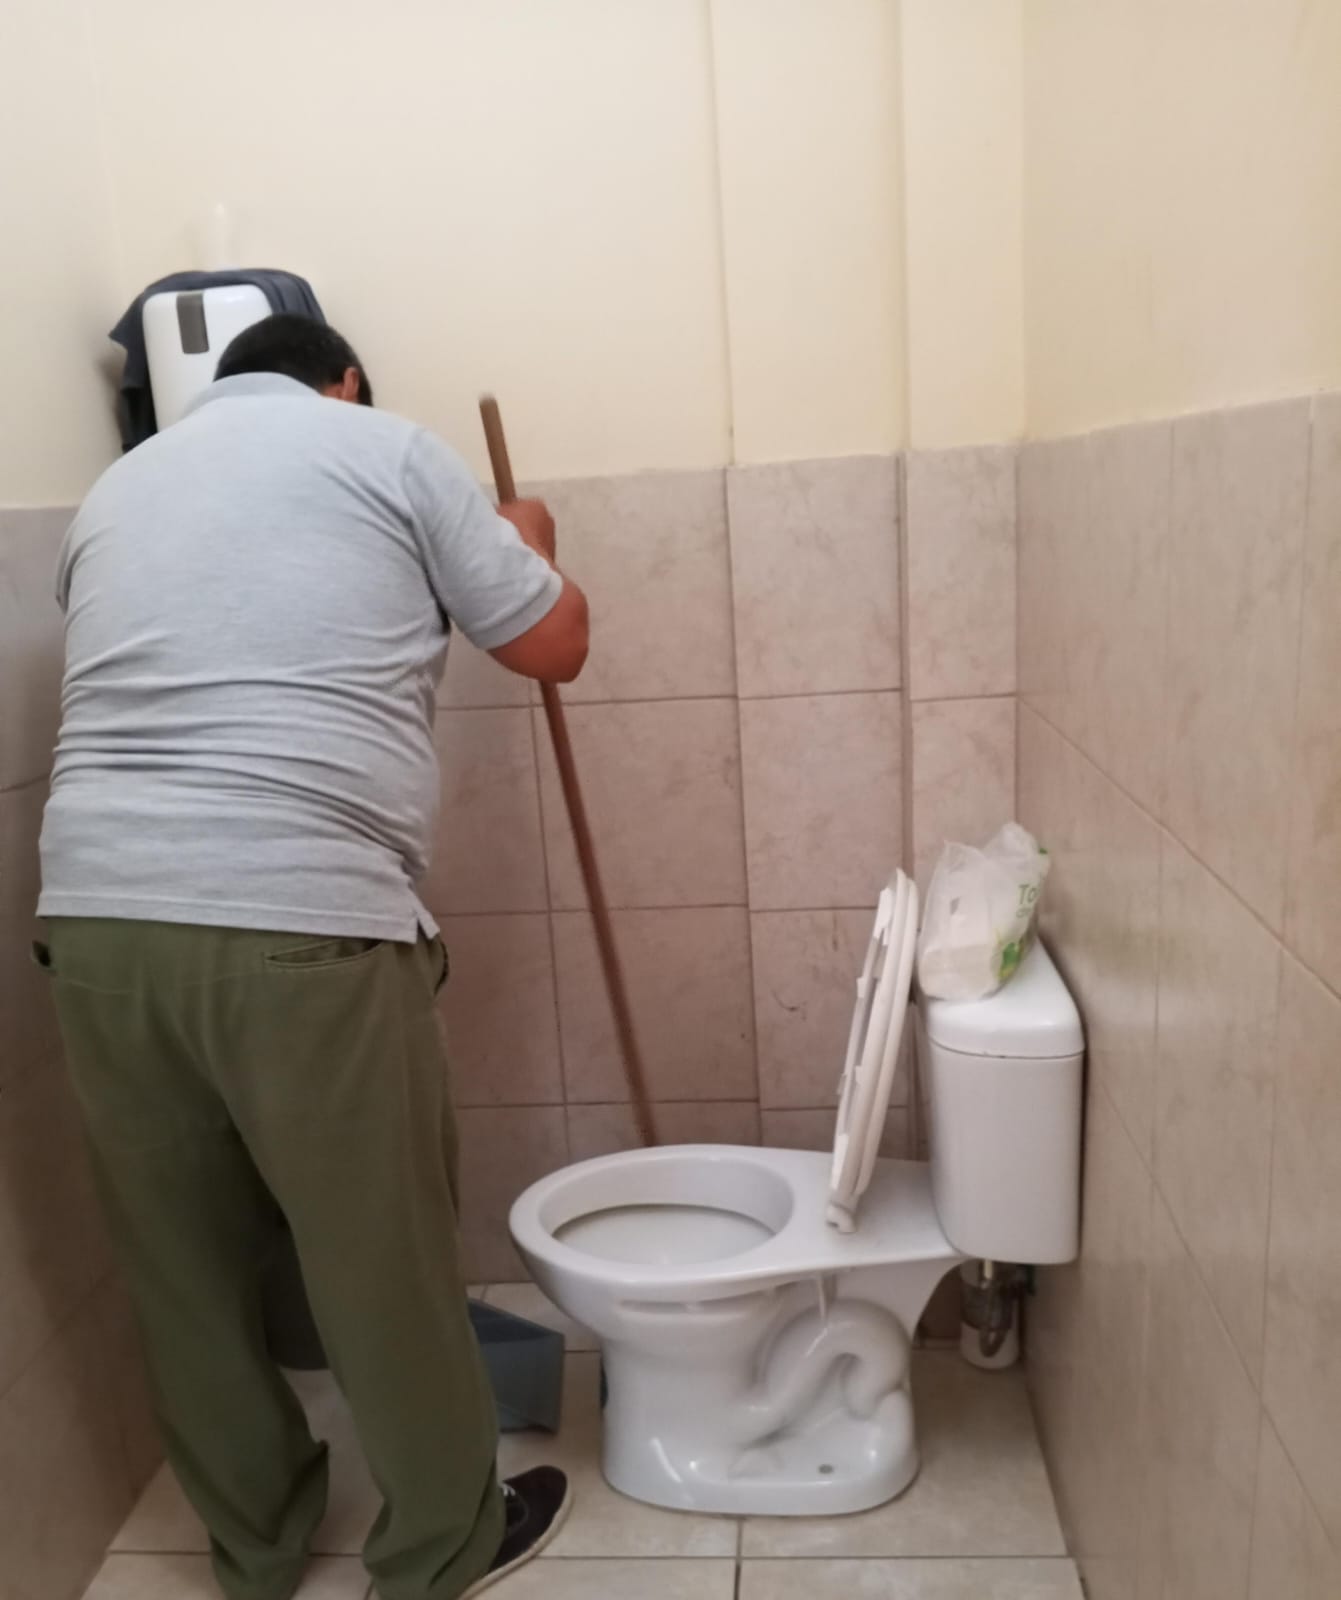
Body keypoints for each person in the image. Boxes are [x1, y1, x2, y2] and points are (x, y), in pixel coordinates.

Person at [36, 313, 588, 1600]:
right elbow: (554, 644)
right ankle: (443, 1543)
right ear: (342, 382)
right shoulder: (385, 448)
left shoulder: (117, 490)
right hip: (298, 912)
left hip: (96, 921)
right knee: (378, 1253)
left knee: (183, 1269)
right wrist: (529, 541)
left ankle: (257, 1547)